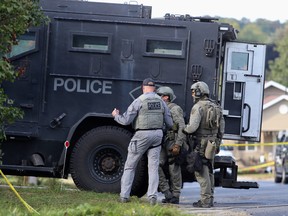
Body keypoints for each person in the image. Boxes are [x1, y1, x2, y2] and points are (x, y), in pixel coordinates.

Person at [111, 78, 173, 205]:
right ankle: (152, 197)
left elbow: (126, 120)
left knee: (130, 166)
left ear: (143, 88)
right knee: (153, 168)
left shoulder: (139, 101)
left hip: (142, 135)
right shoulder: (161, 102)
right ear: (154, 89)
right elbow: (170, 123)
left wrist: (115, 115)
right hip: (157, 135)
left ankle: (124, 196)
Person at [183, 81, 225, 208]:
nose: (192, 94)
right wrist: (217, 142)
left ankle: (205, 201)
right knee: (210, 170)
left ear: (199, 91)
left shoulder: (198, 107)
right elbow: (221, 128)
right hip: (212, 143)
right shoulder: (216, 107)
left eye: (194, 91)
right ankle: (210, 198)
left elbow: (192, 127)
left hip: (200, 143)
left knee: (201, 172)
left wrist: (183, 128)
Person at [156, 86, 187, 204]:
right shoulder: (159, 107)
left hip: (173, 141)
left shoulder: (174, 109)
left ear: (166, 97)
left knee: (173, 168)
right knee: (156, 165)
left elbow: (182, 127)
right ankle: (167, 192)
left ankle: (175, 195)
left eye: (160, 95)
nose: (157, 97)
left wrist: (178, 145)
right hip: (163, 141)